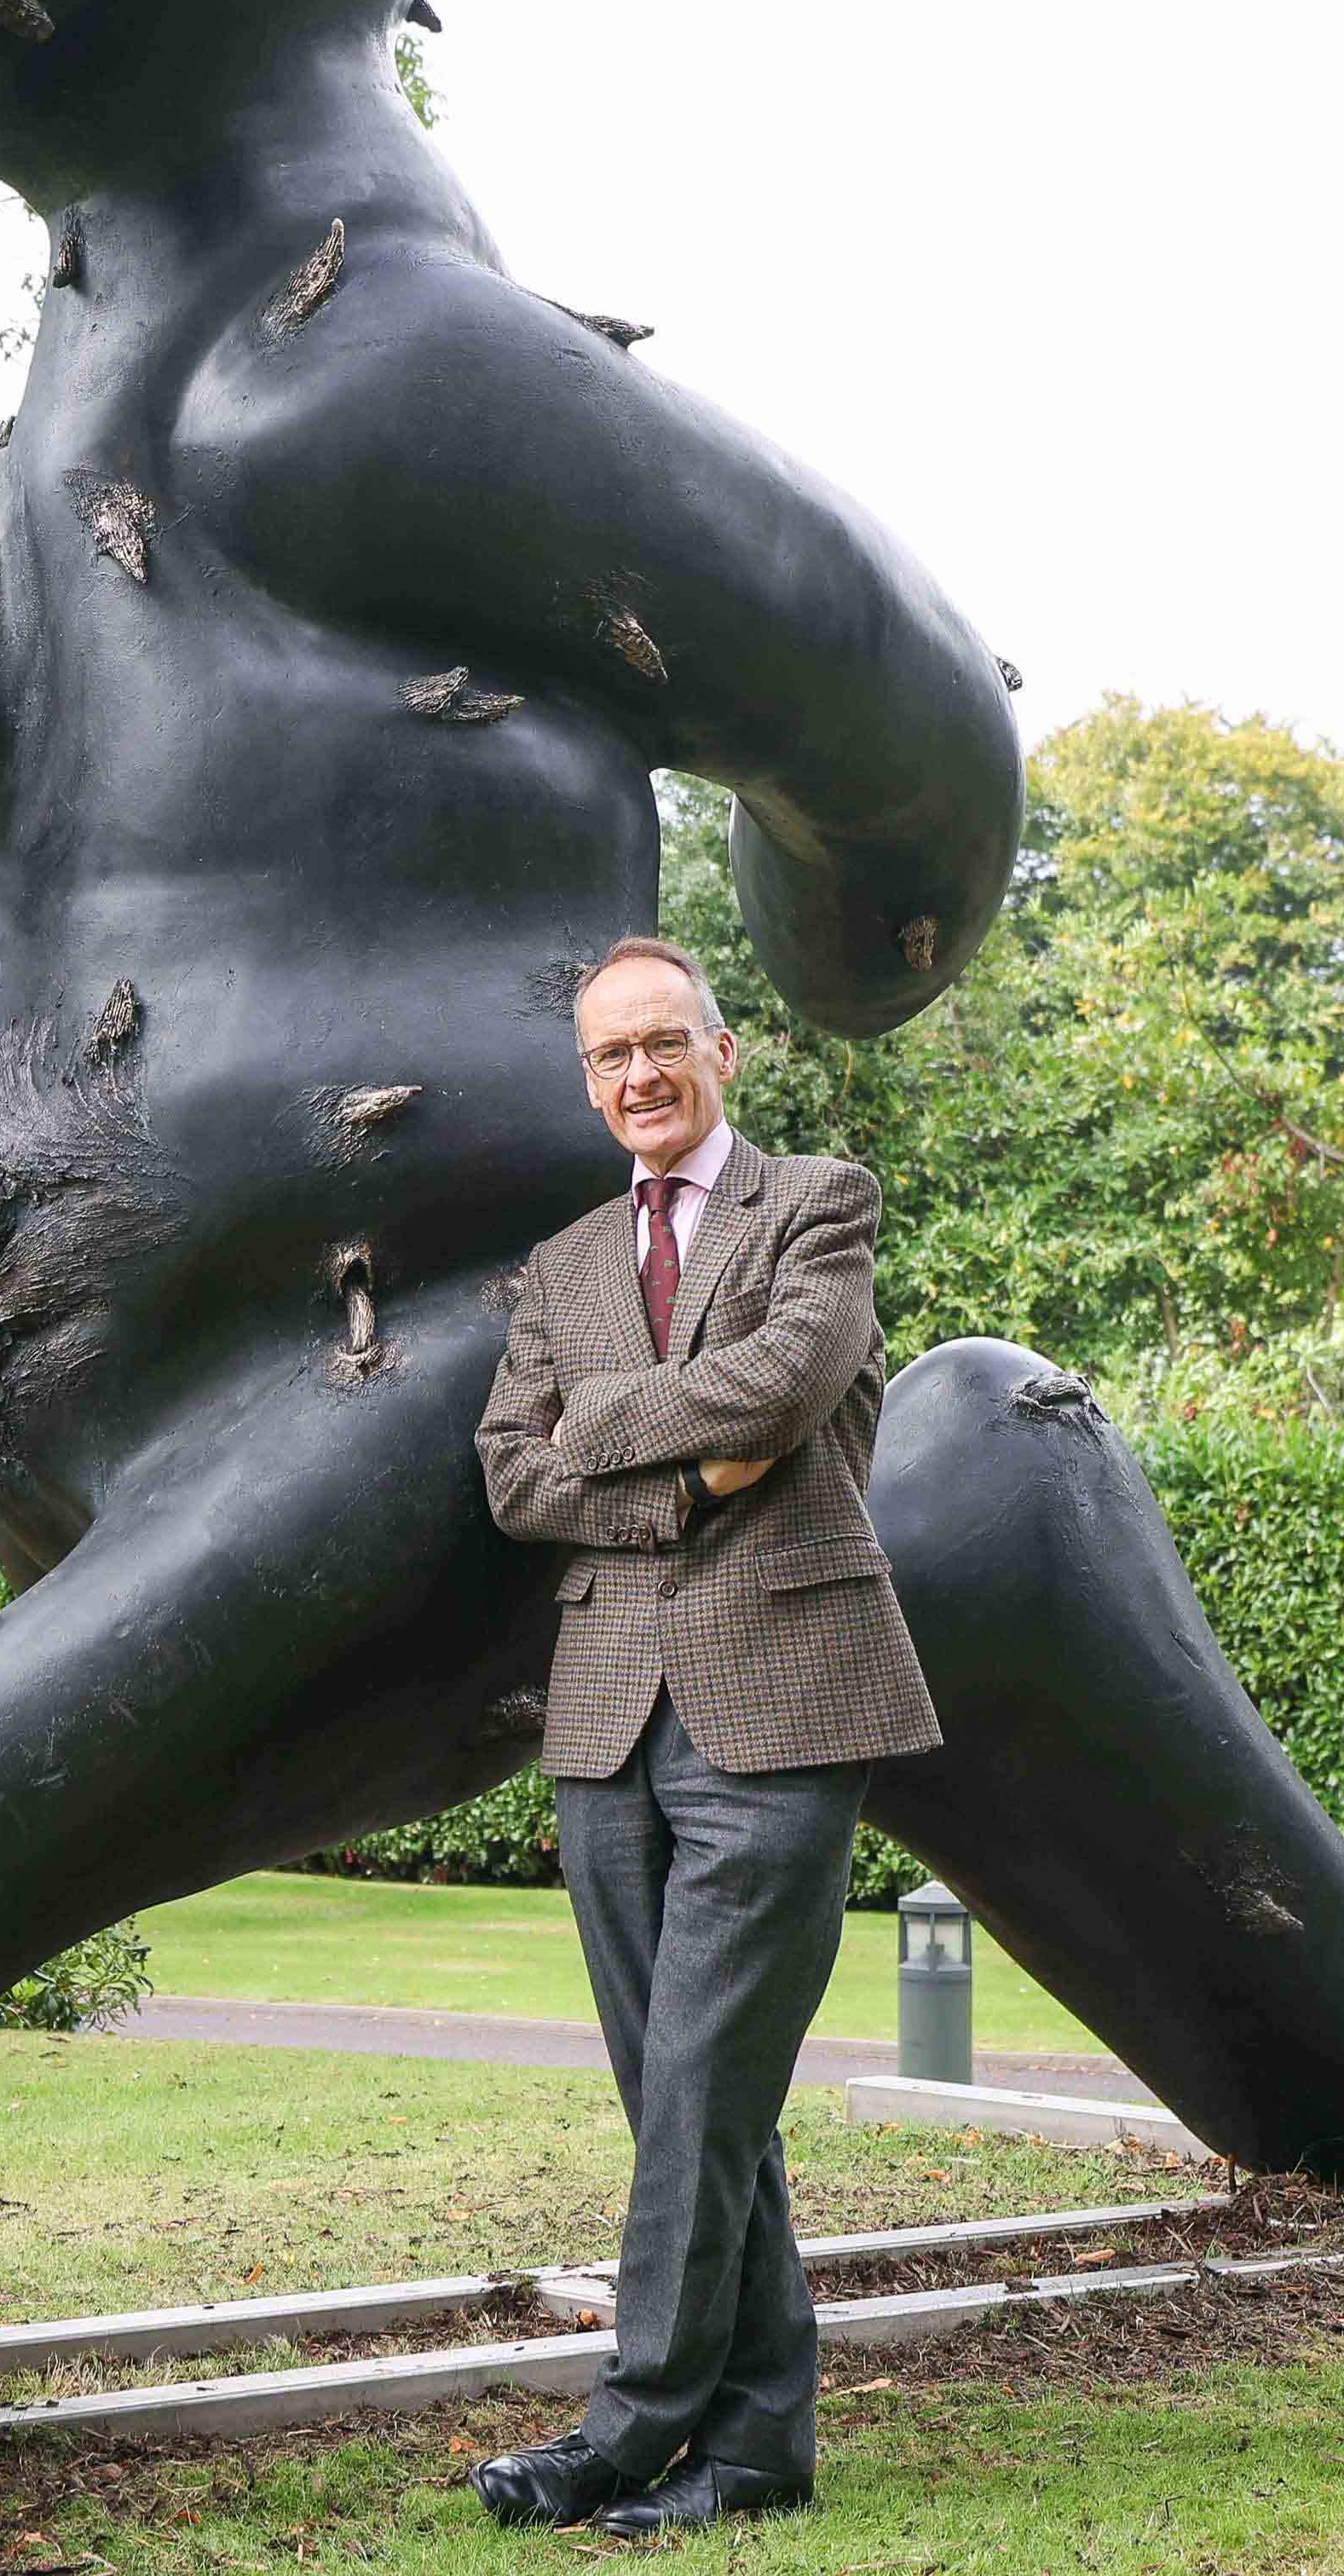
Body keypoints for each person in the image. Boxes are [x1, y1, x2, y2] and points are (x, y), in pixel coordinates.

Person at [465, 937, 943, 2537]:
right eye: (610, 1057)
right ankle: (757, 2449)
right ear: (589, 1080)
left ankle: (630, 2419)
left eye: (663, 1042)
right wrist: (686, 1465)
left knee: (699, 2077)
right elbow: (508, 1474)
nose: (638, 1077)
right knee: (695, 2096)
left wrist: (602, 1422)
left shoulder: (817, 1201)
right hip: (609, 1714)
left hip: (791, 1687)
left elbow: (792, 1376)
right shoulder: (564, 1264)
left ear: (723, 1051)